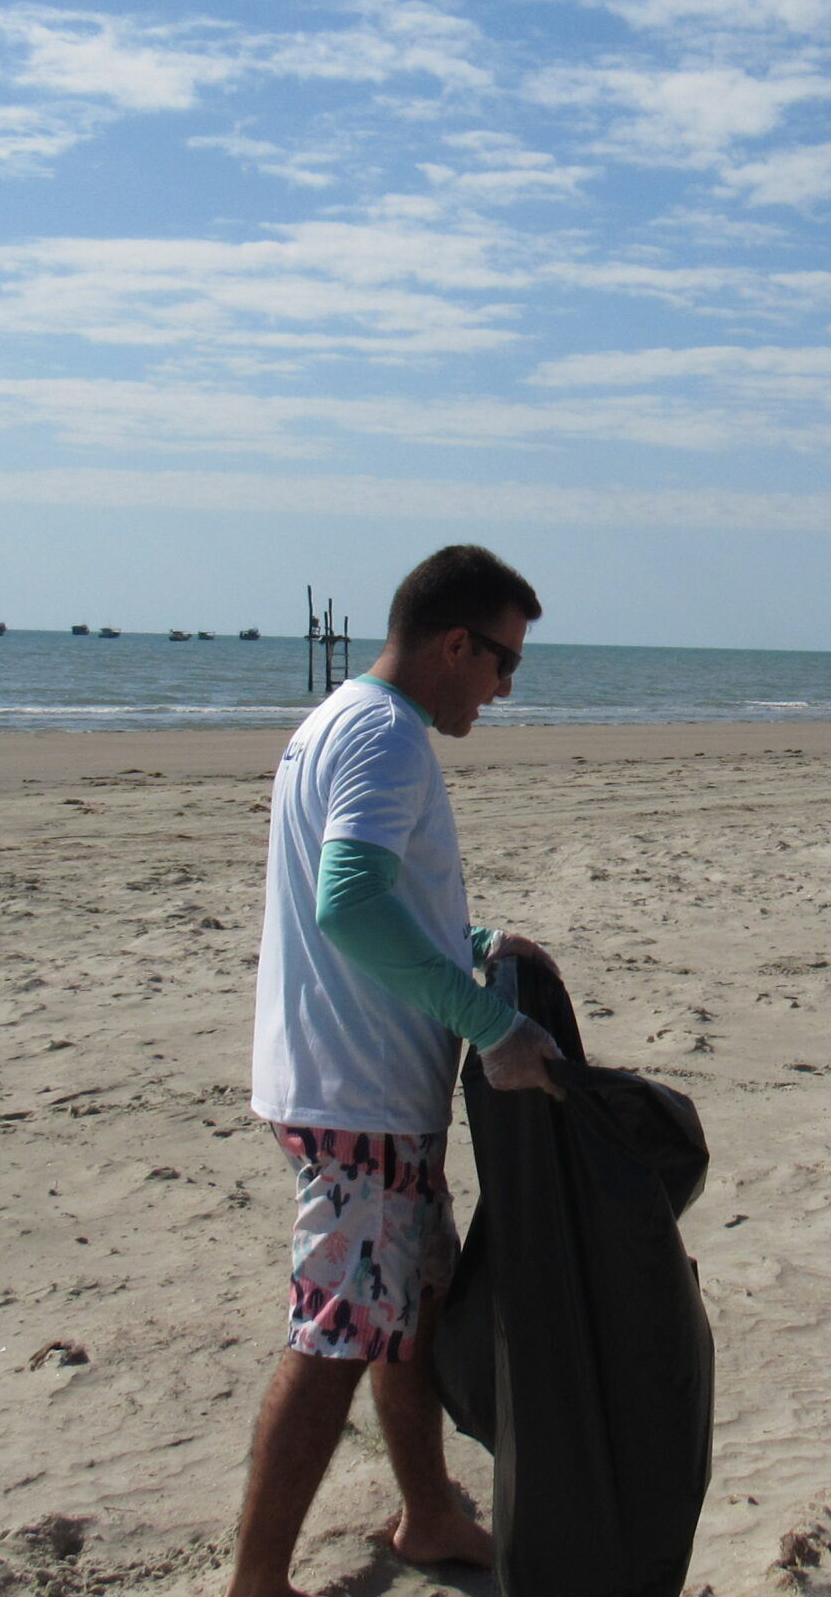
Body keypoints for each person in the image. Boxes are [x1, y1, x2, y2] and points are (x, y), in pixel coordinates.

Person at [228, 544, 568, 1597]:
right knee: (336, 1334)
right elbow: (350, 900)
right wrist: (491, 1026)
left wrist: (479, 939)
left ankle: (425, 1511)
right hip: (359, 1094)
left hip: (358, 1084)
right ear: (454, 642)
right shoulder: (388, 736)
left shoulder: (341, 720)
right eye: (502, 660)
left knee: (404, 1310)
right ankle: (256, 1581)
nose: (506, 686)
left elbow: (392, 899)